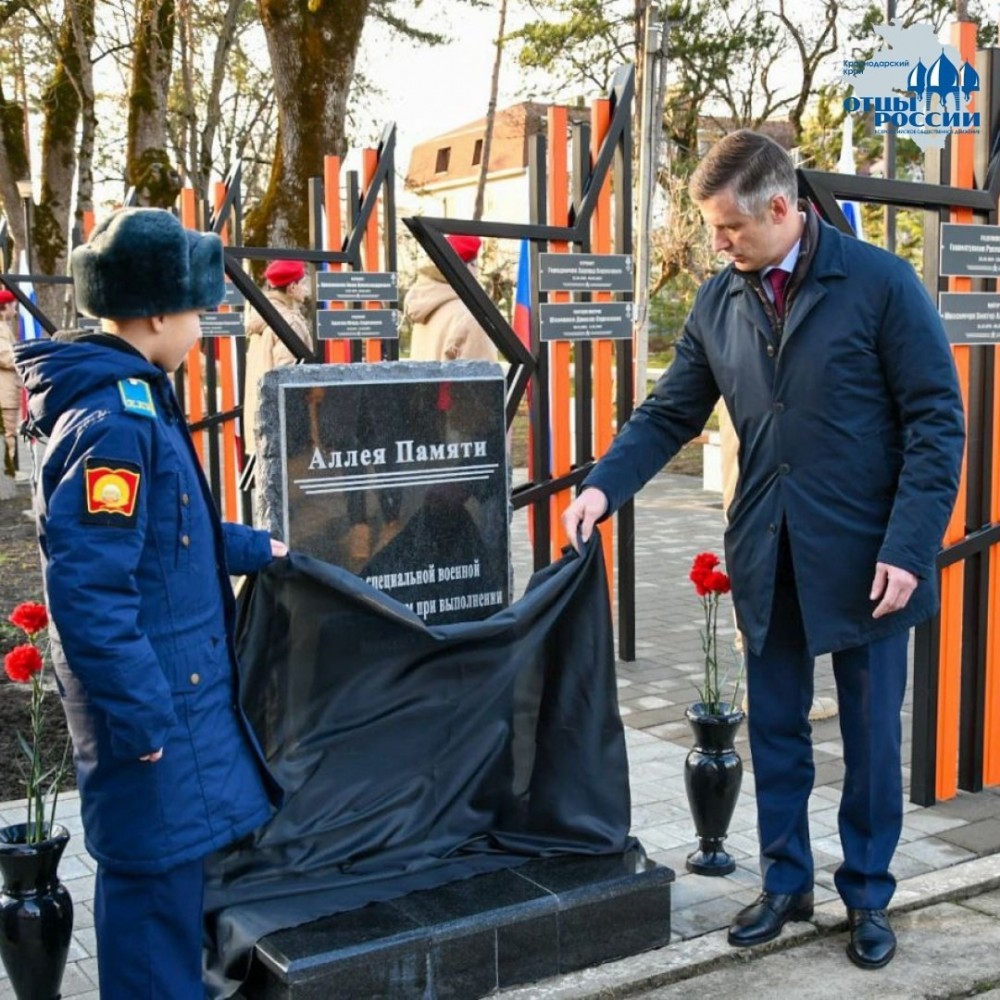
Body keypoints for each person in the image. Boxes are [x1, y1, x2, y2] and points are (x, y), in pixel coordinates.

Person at [563, 130, 965, 971]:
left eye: (729, 228)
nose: (717, 244)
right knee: (776, 731)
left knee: (869, 741)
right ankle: (785, 883)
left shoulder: (881, 284)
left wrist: (909, 547)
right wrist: (603, 488)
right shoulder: (720, 300)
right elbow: (670, 412)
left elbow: (937, 421)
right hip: (767, 551)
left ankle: (867, 894)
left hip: (870, 560)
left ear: (781, 208)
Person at [15, 207, 288, 999]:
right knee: (149, 925)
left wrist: (258, 548)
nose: (202, 328)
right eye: (197, 312)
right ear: (158, 316)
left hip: (171, 712)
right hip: (153, 725)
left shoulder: (135, 402)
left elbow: (166, 538)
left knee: (168, 912)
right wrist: (143, 720)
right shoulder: (111, 425)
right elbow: (90, 592)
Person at [243, 257, 312, 455]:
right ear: (291, 288)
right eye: (303, 283)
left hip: (262, 416)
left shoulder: (263, 317)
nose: (307, 289)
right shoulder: (289, 323)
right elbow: (289, 379)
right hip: (283, 426)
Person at [405, 234, 498, 361]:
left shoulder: (423, 306)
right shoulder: (471, 318)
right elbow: (485, 372)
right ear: (471, 266)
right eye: (476, 264)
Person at [0, 287, 23, 475]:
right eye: (12, 306)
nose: (14, 310)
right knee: (7, 436)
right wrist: (24, 360)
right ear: (4, 307)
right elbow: (4, 356)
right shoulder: (1, 329)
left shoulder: (4, 327)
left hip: (7, 391)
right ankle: (6, 479)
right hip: (4, 393)